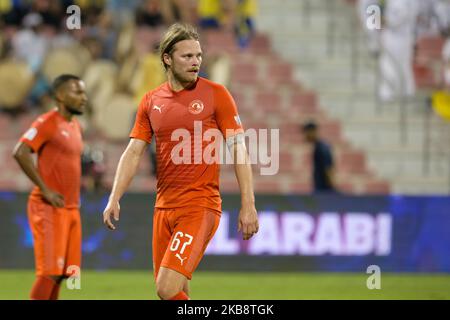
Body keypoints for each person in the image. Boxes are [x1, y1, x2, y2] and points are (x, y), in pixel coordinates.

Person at [102, 23, 259, 300]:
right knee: (176, 293)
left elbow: (239, 150)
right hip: (163, 208)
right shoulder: (151, 101)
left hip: (199, 206)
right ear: (167, 59)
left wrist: (249, 204)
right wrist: (114, 196)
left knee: (166, 288)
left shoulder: (217, 94)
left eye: (198, 56)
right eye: (187, 56)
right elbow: (133, 151)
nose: (196, 62)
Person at [13, 74, 87, 300]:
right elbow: (20, 152)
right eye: (77, 92)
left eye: (84, 92)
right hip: (48, 207)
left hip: (71, 208)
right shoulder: (46, 122)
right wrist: (45, 189)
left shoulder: (75, 126)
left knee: (66, 274)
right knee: (49, 273)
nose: (84, 98)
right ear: (60, 96)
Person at [302, 121, 336, 193]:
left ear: (312, 131)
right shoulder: (319, 147)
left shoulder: (322, 148)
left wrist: (332, 186)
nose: (305, 136)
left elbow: (328, 168)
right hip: (321, 189)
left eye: (306, 133)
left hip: (324, 190)